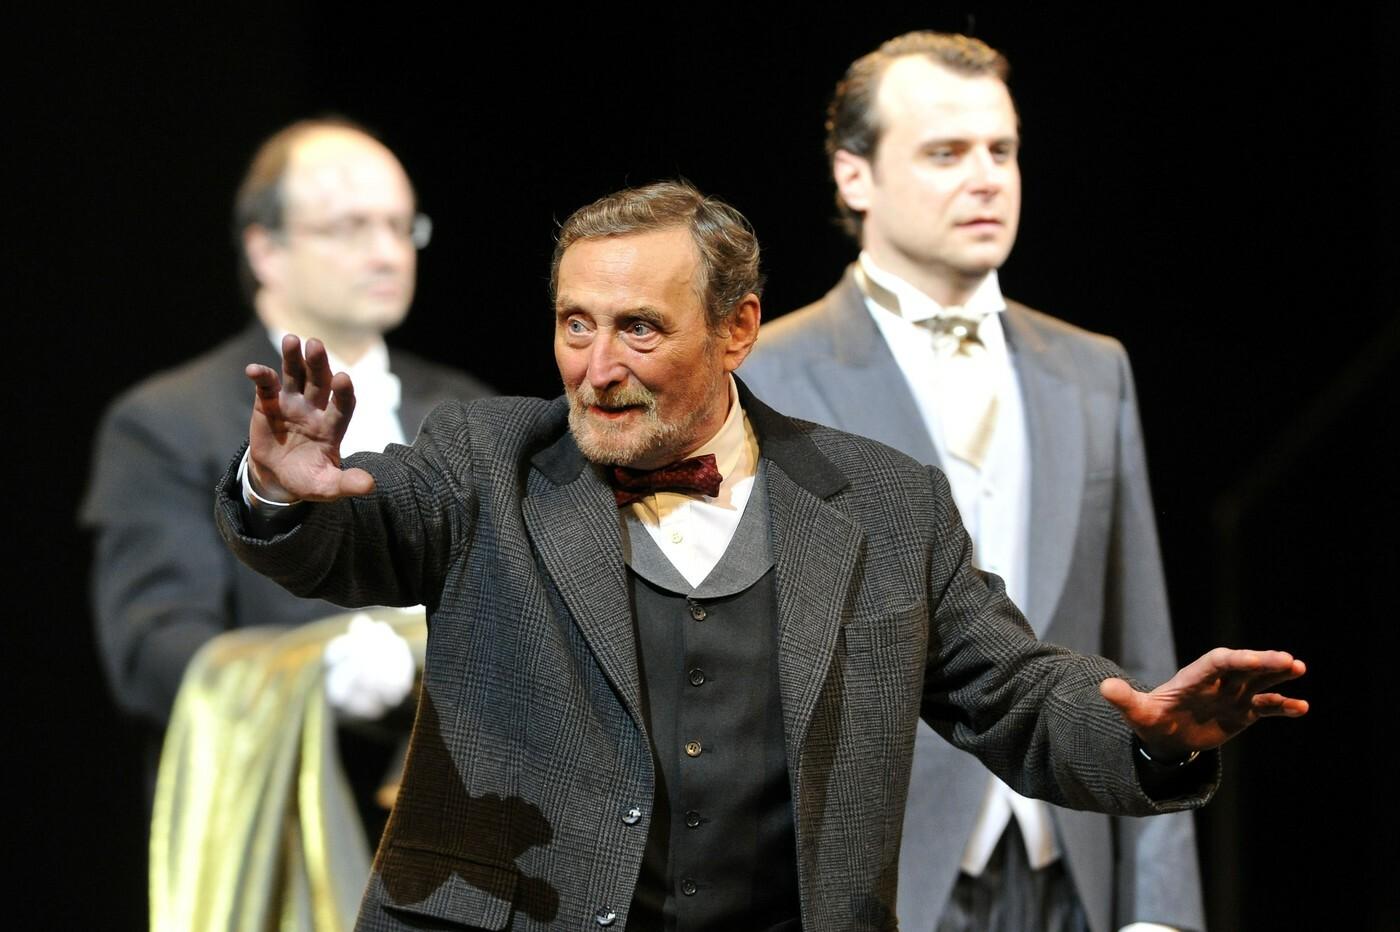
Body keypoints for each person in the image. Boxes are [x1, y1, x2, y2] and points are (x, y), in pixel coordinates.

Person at [215, 181, 1305, 932]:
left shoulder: (884, 503)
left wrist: (1145, 737)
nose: (595, 367)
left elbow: (1012, 692)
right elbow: (353, 537)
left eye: (638, 328)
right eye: (575, 324)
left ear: (736, 329)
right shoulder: (483, 460)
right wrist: (281, 491)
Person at [740, 32, 1202, 931]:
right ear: (855, 176)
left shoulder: (1091, 369)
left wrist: (1161, 910)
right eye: (946, 153)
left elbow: (1143, 648)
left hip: (1073, 868)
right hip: (875, 882)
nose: (987, 178)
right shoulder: (769, 376)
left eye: (1002, 150)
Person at [81, 117, 493, 820]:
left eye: (401, 226)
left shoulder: (467, 410)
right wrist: (315, 679)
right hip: (284, 814)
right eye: (351, 227)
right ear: (265, 249)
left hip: (472, 809)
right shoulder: (168, 420)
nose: (387, 253)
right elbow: (153, 654)